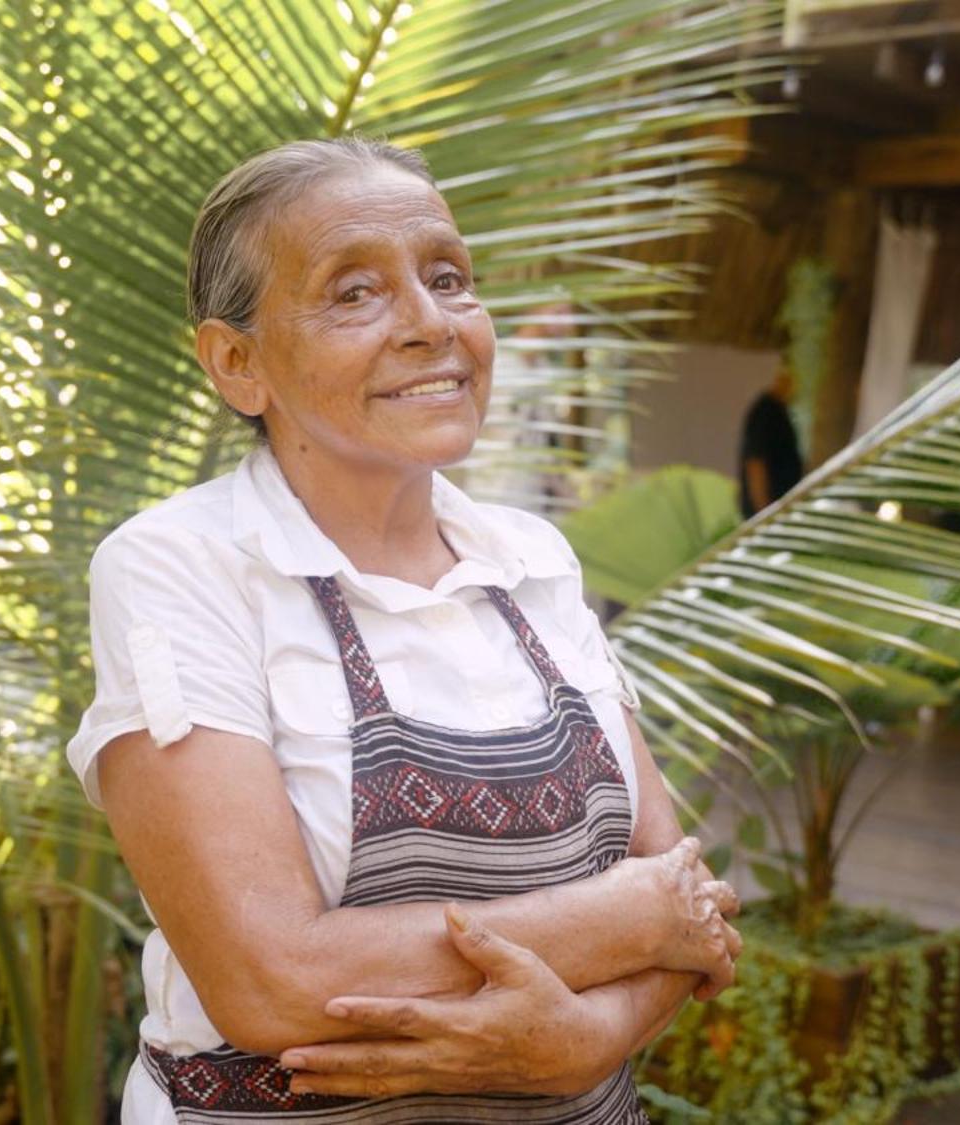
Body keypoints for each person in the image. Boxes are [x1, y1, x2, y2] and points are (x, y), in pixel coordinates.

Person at [66, 137, 743, 1122]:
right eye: (353, 292)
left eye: (447, 277)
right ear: (236, 362)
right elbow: (269, 979)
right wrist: (613, 918)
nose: (430, 323)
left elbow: (687, 907)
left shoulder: (533, 562)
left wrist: (577, 1045)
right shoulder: (184, 564)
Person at [737, 368, 803, 518]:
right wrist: (764, 512)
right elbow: (755, 463)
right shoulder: (766, 411)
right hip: (768, 513)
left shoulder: (779, 410)